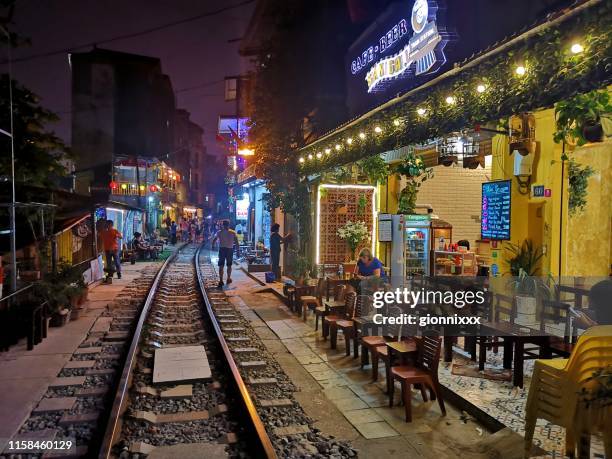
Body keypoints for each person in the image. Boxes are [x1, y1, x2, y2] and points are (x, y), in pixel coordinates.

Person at [212, 220, 240, 288]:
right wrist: (238, 251)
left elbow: (214, 240)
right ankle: (228, 279)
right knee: (229, 265)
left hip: (222, 250)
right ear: (229, 224)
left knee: (221, 265)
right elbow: (236, 242)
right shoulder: (233, 232)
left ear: (223, 225)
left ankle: (221, 280)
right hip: (229, 250)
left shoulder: (219, 232)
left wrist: (213, 246)